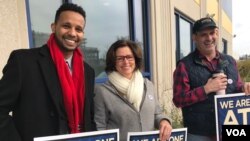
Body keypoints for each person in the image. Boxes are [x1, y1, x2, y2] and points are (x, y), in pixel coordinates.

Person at [0, 3, 96, 141]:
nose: (73, 33)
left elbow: (89, 117)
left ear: (83, 34)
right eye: (66, 26)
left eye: (78, 29)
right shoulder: (23, 62)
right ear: (54, 27)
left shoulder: (88, 71)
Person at [173, 17, 250, 141]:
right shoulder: (184, 65)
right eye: (203, 34)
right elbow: (178, 100)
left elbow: (236, 86)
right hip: (199, 134)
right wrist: (206, 89)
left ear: (217, 34)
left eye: (212, 33)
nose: (209, 38)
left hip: (230, 128)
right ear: (194, 37)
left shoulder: (230, 61)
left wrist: (243, 88)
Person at [94, 39, 172, 141]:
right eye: (120, 58)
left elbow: (157, 113)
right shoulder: (102, 91)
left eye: (129, 57)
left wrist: (164, 121)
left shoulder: (148, 85)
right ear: (113, 62)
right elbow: (100, 127)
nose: (126, 62)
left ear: (136, 59)